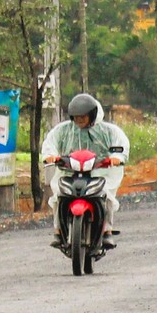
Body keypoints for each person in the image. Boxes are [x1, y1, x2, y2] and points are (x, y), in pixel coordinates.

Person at [42, 92, 129, 249]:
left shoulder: (108, 131)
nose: (79, 120)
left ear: (92, 114)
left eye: (83, 116)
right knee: (58, 196)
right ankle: (58, 230)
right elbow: (50, 142)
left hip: (101, 172)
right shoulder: (64, 130)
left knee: (106, 195)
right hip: (69, 172)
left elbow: (120, 144)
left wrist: (116, 157)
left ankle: (106, 231)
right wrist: (51, 156)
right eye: (76, 116)